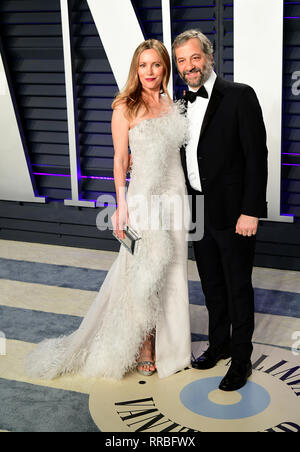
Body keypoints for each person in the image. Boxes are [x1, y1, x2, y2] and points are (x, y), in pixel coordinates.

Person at [24, 39, 191, 381]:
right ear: (136, 69)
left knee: (172, 273)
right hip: (143, 200)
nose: (149, 72)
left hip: (175, 198)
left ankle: (172, 346)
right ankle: (144, 345)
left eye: (156, 65)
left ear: (165, 69)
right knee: (142, 274)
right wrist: (121, 205)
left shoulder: (172, 104)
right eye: (143, 65)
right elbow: (119, 160)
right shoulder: (124, 107)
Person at [173, 30, 268, 391]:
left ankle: (241, 360)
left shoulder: (239, 96)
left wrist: (251, 211)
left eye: (194, 58)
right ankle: (219, 344)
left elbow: (256, 157)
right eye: (181, 61)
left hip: (234, 213)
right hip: (198, 210)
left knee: (238, 286)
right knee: (212, 285)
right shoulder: (182, 103)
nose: (188, 66)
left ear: (208, 57)